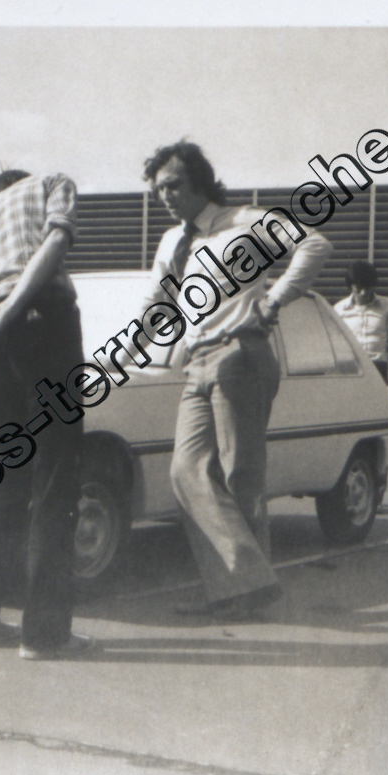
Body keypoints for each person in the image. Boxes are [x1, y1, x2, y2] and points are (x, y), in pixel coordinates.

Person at [138, 141, 332, 621]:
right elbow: (155, 306)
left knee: (239, 476)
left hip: (241, 354)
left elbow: (314, 244)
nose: (165, 196)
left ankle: (235, 595)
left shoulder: (244, 221)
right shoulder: (172, 241)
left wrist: (274, 300)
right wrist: (117, 358)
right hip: (197, 361)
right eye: (158, 189)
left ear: (200, 181)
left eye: (173, 185)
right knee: (186, 471)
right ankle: (250, 582)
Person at [0, 169, 93, 660]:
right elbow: (57, 241)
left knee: (4, 482)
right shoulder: (50, 182)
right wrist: (13, 309)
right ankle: (45, 635)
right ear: (21, 184)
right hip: (45, 319)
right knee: (55, 480)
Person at [333, 261, 388, 405]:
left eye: (368, 287)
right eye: (359, 288)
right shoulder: (339, 309)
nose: (364, 292)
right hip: (350, 371)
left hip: (378, 370)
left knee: (378, 412)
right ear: (351, 286)